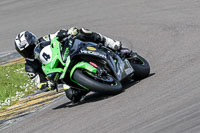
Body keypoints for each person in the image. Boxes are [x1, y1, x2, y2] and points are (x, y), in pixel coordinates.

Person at [14, 27, 131, 103]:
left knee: (83, 32)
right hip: (61, 76)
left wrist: (66, 32)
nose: (30, 52)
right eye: (26, 52)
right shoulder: (29, 67)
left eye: (30, 48)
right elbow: (39, 83)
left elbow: (57, 34)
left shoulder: (43, 40)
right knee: (72, 96)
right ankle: (92, 82)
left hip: (68, 54)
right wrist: (48, 84)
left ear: (34, 40)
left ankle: (111, 44)